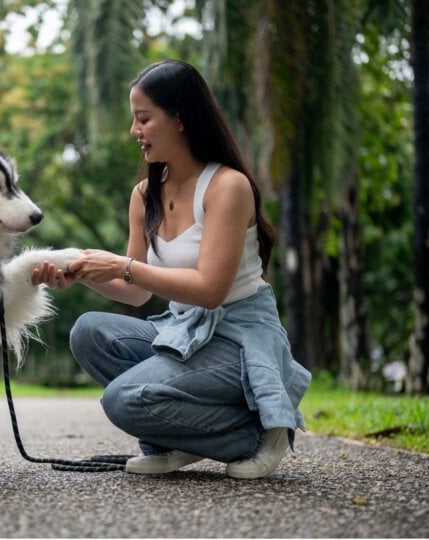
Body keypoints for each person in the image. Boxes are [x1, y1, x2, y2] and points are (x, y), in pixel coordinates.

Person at [32, 59, 311, 478]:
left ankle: (256, 434)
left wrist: (121, 265)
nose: (134, 131)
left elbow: (210, 289)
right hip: (184, 331)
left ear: (179, 118)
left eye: (144, 119)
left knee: (122, 400)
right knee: (89, 332)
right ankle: (172, 440)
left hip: (239, 337)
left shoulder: (227, 186)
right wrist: (86, 273)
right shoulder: (145, 195)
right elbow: (137, 291)